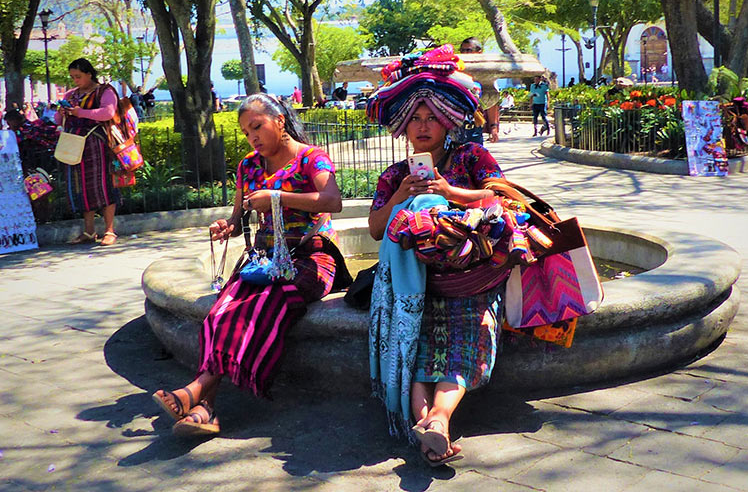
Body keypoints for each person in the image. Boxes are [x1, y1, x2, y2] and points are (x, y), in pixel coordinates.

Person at [152, 93, 352, 437]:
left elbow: (333, 201)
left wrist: (277, 197)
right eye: (246, 132)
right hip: (264, 261)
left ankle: (197, 391)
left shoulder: (311, 159)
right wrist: (226, 226)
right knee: (221, 312)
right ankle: (205, 408)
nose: (253, 137)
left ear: (280, 121)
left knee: (260, 306)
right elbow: (238, 216)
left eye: (257, 127)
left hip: (310, 258)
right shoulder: (248, 166)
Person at [366, 45, 506, 466]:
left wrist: (450, 192)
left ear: (448, 121)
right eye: (414, 119)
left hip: (467, 281)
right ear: (403, 125)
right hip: (415, 289)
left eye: (431, 118)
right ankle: (433, 426)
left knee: (468, 341)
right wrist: (401, 197)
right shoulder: (394, 175)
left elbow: (501, 196)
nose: (423, 126)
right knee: (415, 351)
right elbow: (376, 229)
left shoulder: (472, 157)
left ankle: (437, 422)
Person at [54, 58, 121, 246]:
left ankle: (109, 230)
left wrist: (79, 112)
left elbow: (107, 113)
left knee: (103, 185)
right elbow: (58, 120)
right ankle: (89, 231)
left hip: (97, 144)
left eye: (78, 76)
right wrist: (62, 111)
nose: (75, 81)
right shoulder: (70, 94)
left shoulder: (105, 91)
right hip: (74, 145)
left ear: (89, 74)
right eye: (73, 77)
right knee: (81, 187)